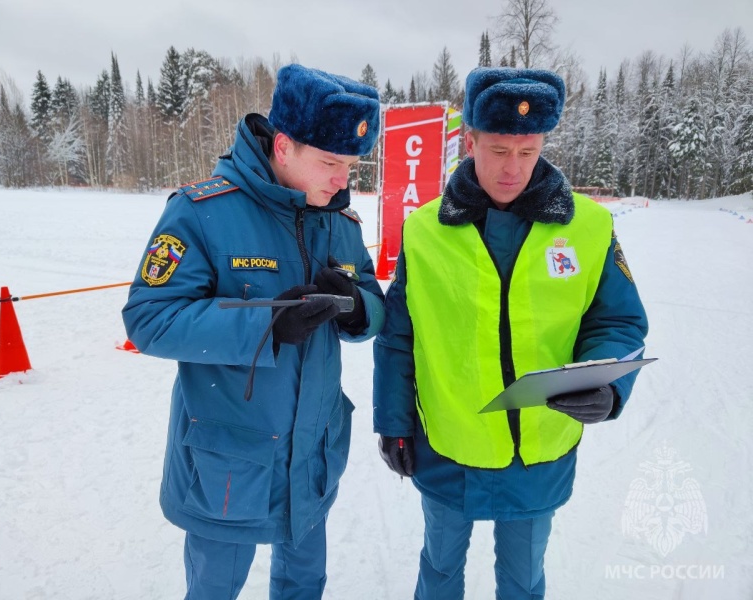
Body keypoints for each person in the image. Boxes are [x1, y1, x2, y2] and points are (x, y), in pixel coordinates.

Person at [372, 67, 649, 599]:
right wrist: (394, 421)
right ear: (469, 140)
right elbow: (399, 337)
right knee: (440, 569)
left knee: (523, 580)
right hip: (447, 444)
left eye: (528, 152)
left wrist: (610, 386)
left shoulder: (588, 228)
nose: (512, 169)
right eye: (499, 150)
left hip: (540, 449)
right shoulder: (424, 230)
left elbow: (618, 320)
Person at [123, 64, 385, 600]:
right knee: (215, 587)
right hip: (229, 457)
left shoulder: (340, 222)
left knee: (304, 583)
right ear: (284, 146)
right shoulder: (202, 213)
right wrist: (266, 324)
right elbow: (149, 319)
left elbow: (376, 307)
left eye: (352, 167)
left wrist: (358, 308)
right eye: (330, 163)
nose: (343, 181)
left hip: (312, 449)